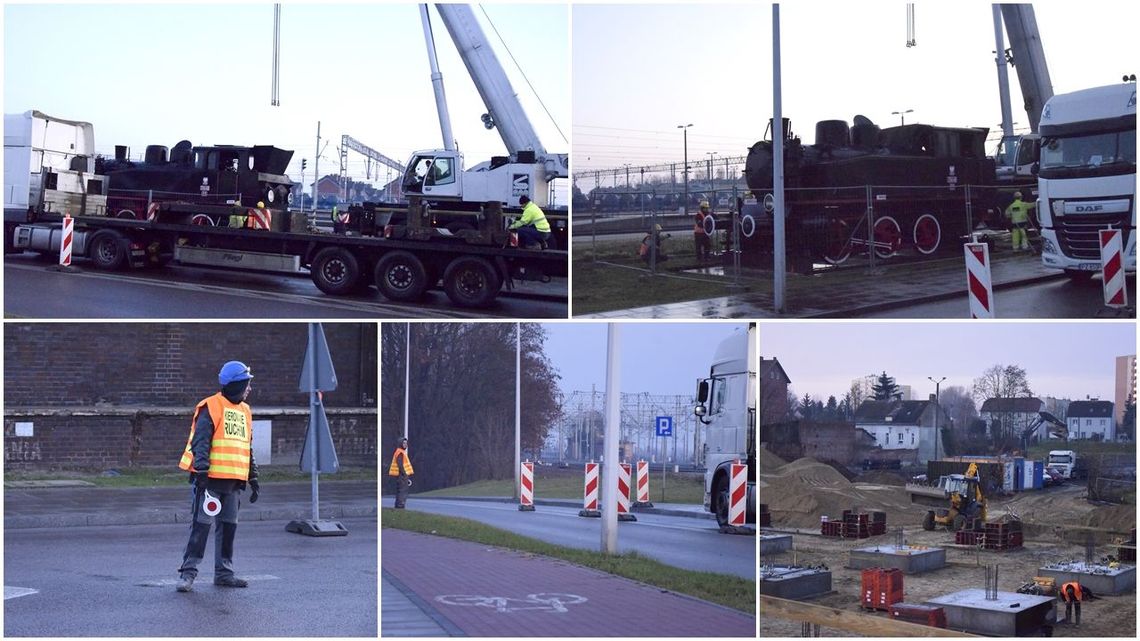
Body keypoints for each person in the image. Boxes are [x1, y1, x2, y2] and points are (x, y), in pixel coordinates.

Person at [175, 361, 259, 592]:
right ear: (238, 384)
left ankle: (224, 573)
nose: (250, 388)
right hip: (210, 481)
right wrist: (201, 472)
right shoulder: (211, 406)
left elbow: (246, 446)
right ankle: (188, 574)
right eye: (247, 384)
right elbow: (200, 441)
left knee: (228, 529)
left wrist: (253, 477)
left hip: (233, 483)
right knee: (200, 528)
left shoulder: (245, 411)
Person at [388, 437, 414, 508]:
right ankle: (400, 505)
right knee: (402, 490)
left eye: (406, 443)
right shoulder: (400, 452)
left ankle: (398, 505)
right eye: (404, 443)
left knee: (400, 490)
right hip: (401, 475)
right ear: (400, 444)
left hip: (400, 475)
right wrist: (404, 474)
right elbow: (400, 465)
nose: (405, 445)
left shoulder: (400, 452)